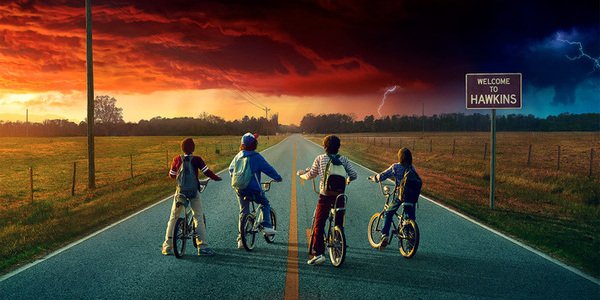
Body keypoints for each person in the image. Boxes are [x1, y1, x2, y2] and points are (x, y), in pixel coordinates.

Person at [297, 135, 357, 265]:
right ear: (338, 147)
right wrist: (348, 180)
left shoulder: (320, 158)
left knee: (319, 224)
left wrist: (301, 175)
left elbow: (311, 174)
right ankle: (338, 245)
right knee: (339, 223)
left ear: (325, 147)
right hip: (340, 196)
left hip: (325, 196)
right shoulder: (344, 160)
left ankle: (319, 254)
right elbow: (354, 175)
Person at [162, 138, 222, 256]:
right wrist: (216, 178)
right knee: (198, 216)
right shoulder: (197, 160)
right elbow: (207, 172)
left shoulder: (177, 159)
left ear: (182, 148)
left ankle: (167, 246)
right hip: (193, 192)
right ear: (193, 148)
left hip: (181, 192)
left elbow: (172, 175)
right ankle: (202, 247)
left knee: (173, 217)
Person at [229, 133, 282, 249]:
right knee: (264, 203)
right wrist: (277, 177)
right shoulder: (256, 157)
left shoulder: (238, 156)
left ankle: (241, 240)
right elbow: (268, 169)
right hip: (253, 189)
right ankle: (267, 226)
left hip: (239, 189)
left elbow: (231, 169)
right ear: (255, 145)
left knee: (243, 211)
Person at [368, 147, 421, 249]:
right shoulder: (412, 168)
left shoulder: (396, 167)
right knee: (410, 218)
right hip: (412, 197)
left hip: (400, 196)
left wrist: (373, 178)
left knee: (388, 212)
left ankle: (385, 236)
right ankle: (410, 244)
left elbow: (383, 176)